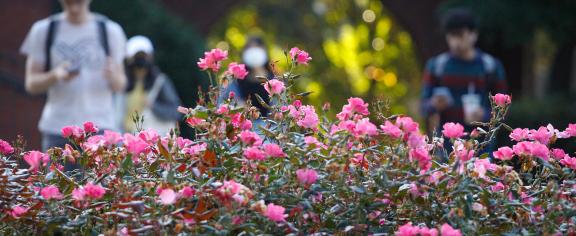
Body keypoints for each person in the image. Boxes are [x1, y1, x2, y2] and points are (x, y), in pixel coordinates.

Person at [20, 0, 127, 151]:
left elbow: (121, 84)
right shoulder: (44, 30)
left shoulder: (110, 30)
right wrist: (55, 75)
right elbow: (31, 83)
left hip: (101, 127)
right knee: (56, 175)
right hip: (58, 128)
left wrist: (113, 76)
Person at [421, 9, 508, 139]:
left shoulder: (490, 66)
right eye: (451, 35)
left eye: (460, 35)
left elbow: (504, 109)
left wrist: (484, 115)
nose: (454, 41)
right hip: (447, 145)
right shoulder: (436, 66)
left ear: (474, 35)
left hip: (482, 144)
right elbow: (423, 106)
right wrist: (434, 104)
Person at [122, 35, 181, 135]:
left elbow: (175, 112)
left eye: (143, 57)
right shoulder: (121, 83)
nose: (140, 62)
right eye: (136, 57)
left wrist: (153, 106)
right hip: (126, 138)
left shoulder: (160, 82)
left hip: (150, 141)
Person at [220, 36, 274, 118]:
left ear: (264, 51)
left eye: (257, 47)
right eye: (250, 48)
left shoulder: (276, 81)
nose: (254, 52)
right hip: (243, 128)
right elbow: (222, 103)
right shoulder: (235, 81)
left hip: (271, 128)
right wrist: (236, 106)